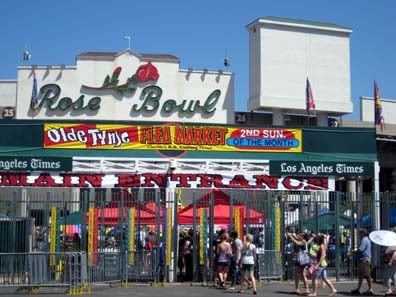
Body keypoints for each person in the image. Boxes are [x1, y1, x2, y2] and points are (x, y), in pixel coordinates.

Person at [351, 229, 373, 296]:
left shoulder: (364, 240)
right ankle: (358, 289)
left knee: (367, 275)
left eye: (360, 233)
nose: (359, 234)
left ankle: (370, 289)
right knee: (361, 275)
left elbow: (360, 249)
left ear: (363, 233)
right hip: (362, 260)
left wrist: (352, 252)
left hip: (365, 260)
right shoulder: (365, 240)